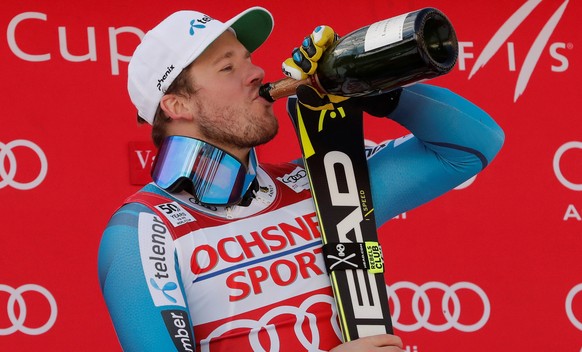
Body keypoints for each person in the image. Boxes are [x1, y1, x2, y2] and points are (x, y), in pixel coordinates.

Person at [97, 6, 504, 352]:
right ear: (177, 104)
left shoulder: (323, 182)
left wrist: (360, 86)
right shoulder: (146, 229)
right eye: (227, 67)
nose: (256, 71)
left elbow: (469, 144)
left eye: (247, 57)